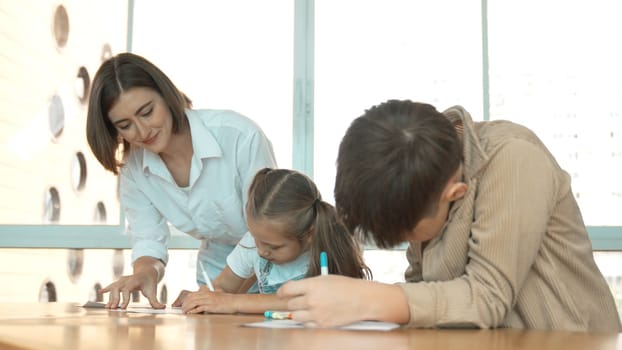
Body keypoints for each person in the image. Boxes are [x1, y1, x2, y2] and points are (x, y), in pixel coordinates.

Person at [278, 99, 622, 332]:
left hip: (572, 340)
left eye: (408, 236)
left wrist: (367, 299)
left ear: (455, 194)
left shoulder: (514, 159)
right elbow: (425, 288)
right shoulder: (417, 174)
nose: (410, 246)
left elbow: (488, 297)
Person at [86, 52, 277, 309]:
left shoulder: (239, 135)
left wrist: (218, 292)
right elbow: (148, 238)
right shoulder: (134, 168)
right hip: (218, 267)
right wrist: (145, 273)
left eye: (147, 112)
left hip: (279, 266)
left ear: (166, 95)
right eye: (125, 125)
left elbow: (267, 229)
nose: (142, 132)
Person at [174, 167, 371, 314]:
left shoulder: (323, 251)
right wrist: (206, 298)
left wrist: (231, 302)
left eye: (274, 246)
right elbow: (223, 287)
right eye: (256, 239)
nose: (261, 251)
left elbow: (307, 301)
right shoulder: (255, 242)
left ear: (308, 234)